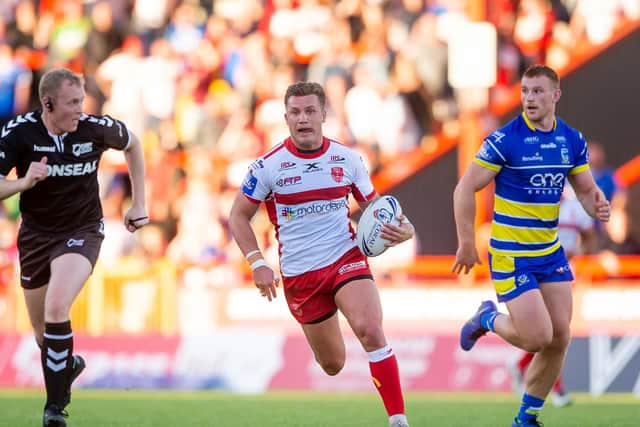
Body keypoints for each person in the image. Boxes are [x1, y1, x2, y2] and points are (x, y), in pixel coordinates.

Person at [229, 81, 415, 427]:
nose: (303, 118)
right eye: (296, 112)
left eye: (310, 111)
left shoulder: (347, 159)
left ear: (323, 115)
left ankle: (398, 419)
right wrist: (257, 262)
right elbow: (237, 215)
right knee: (333, 364)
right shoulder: (267, 166)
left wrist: (404, 230)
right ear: (285, 118)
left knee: (370, 328)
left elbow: (377, 209)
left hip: (345, 257)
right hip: (301, 275)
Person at [452, 65, 610, 427]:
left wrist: (596, 204)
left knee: (560, 337)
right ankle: (487, 317)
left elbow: (585, 190)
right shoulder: (504, 140)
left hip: (548, 252)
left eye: (538, 91)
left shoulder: (571, 139)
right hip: (511, 254)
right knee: (539, 337)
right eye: (525, 91)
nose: (529, 98)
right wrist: (465, 242)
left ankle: (527, 418)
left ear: (556, 95)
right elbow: (464, 189)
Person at [0, 68, 148, 427]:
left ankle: (54, 409)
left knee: (57, 305)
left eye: (81, 100)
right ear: (48, 103)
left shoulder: (95, 127)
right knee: (42, 336)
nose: (80, 110)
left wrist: (139, 202)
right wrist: (25, 182)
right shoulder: (19, 133)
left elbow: (134, 144)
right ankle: (68, 366)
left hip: (81, 230)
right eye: (72, 103)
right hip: (36, 236)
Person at [507, 182, 596, 407]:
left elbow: (589, 236)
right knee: (554, 333)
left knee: (559, 332)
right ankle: (556, 390)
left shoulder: (574, 209)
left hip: (564, 274)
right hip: (540, 273)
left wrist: (580, 254)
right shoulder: (536, 207)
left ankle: (521, 365)